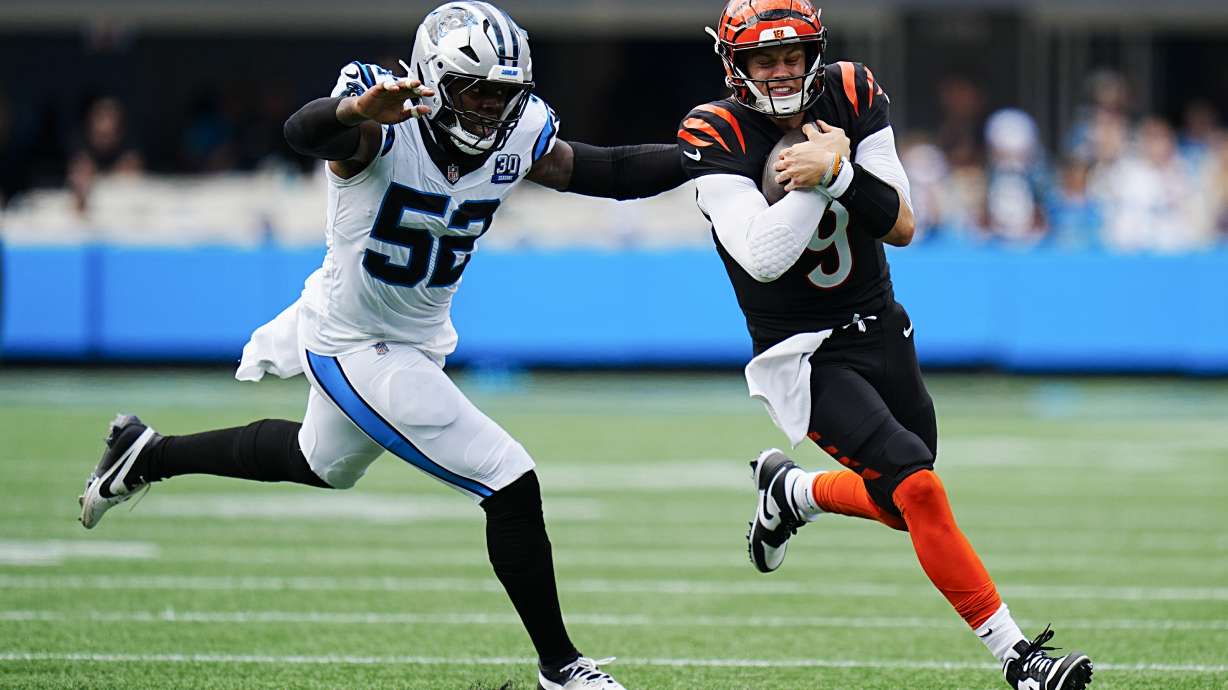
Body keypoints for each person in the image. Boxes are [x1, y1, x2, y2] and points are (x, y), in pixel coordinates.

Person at [76, 3, 685, 688]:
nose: (489, 108)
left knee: (319, 462)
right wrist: (353, 111)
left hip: (414, 340)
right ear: (431, 77)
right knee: (508, 479)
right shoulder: (380, 128)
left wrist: (707, 160)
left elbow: (604, 171)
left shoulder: (523, 136)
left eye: (503, 94)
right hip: (353, 340)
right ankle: (561, 668)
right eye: (476, 88)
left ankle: (148, 453)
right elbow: (303, 132)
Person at [676, 2, 1094, 689]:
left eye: (791, 55)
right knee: (919, 489)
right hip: (801, 351)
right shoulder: (714, 130)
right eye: (763, 59)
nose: (781, 71)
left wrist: (838, 172)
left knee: (906, 503)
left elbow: (901, 222)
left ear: (815, 52)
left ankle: (794, 493)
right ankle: (1020, 660)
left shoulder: (851, 90)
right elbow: (762, 256)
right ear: (734, 64)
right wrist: (818, 176)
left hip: (878, 324)